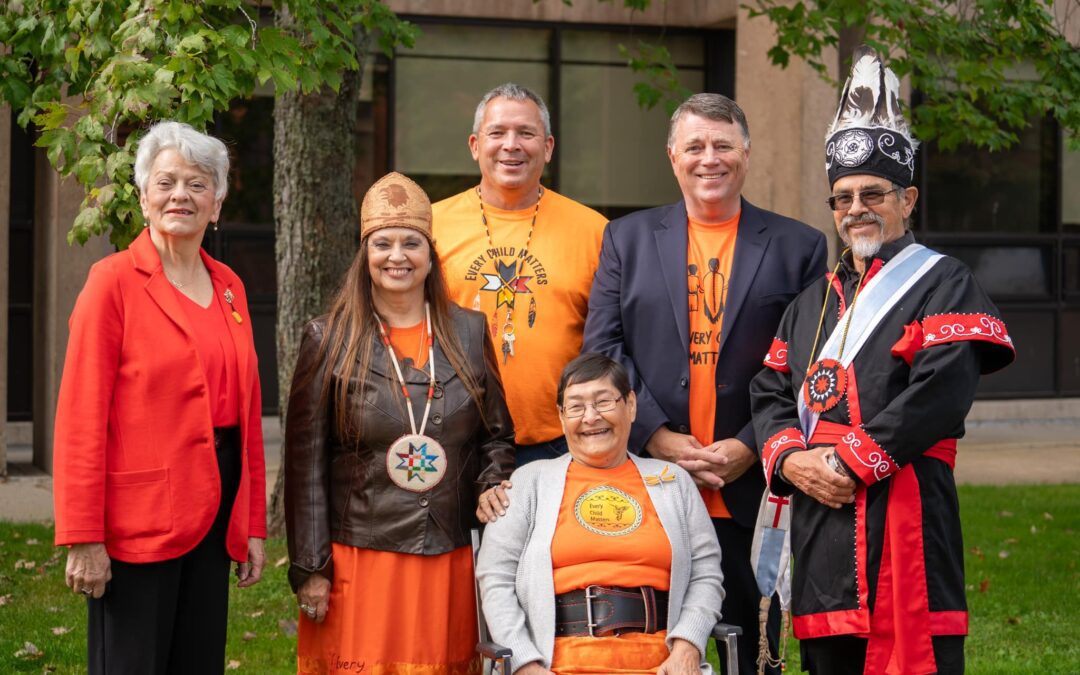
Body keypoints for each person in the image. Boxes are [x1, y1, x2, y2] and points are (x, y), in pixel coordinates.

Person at [750, 48, 1015, 675]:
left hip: (905, 513)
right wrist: (792, 459)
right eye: (841, 198)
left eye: (873, 192)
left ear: (908, 198)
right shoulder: (811, 301)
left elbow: (942, 389)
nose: (855, 208)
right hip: (819, 521)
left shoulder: (944, 282)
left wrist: (848, 461)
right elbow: (769, 388)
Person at [583, 93, 826, 673]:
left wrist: (752, 443)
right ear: (673, 157)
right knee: (652, 646)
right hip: (653, 480)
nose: (708, 159)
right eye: (695, 146)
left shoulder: (799, 247)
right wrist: (658, 436)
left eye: (722, 145)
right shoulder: (627, 239)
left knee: (753, 651)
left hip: (752, 488)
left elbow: (814, 365)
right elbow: (602, 349)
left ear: (746, 153)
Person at [52, 121, 267, 674]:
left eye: (198, 185)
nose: (181, 196)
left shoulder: (230, 287)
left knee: (198, 662)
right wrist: (83, 535)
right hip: (138, 518)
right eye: (167, 182)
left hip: (215, 510)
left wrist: (252, 523)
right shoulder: (112, 282)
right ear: (145, 197)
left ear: (217, 204)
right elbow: (80, 417)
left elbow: (245, 413)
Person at [284, 172, 515, 674]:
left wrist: (492, 480)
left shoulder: (469, 333)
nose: (397, 256)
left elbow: (496, 435)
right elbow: (305, 464)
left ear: (430, 255)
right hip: (358, 556)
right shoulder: (328, 339)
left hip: (446, 554)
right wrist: (311, 568)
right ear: (364, 254)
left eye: (411, 243)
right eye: (382, 243)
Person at [476, 352, 724, 674]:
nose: (590, 417)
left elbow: (706, 571)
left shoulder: (672, 481)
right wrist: (525, 663)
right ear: (562, 416)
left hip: (662, 665)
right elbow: (496, 578)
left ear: (631, 406)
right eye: (576, 407)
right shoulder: (527, 482)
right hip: (558, 666)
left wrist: (688, 646)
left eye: (603, 402)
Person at [433, 82, 607, 465]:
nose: (511, 144)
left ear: (547, 148)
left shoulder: (595, 231)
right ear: (476, 145)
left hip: (563, 439)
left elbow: (612, 340)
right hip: (455, 435)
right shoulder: (430, 227)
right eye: (498, 133)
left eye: (526, 133)